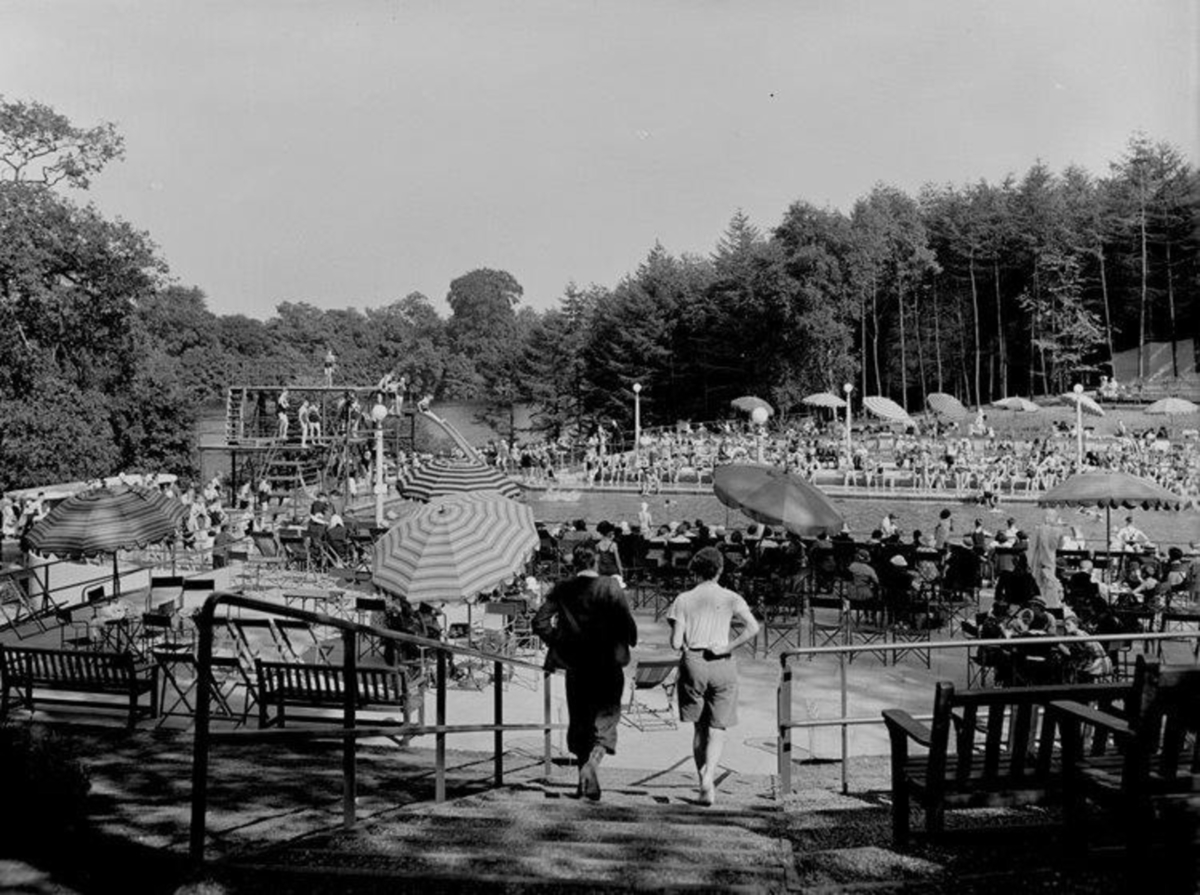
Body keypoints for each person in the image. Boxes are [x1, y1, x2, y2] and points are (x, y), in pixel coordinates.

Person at [533, 544, 638, 802]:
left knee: (579, 721)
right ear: (596, 563)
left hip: (576, 666)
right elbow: (627, 625)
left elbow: (539, 622)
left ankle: (583, 780)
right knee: (606, 720)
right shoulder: (611, 586)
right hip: (607, 664)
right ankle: (593, 762)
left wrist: (559, 641)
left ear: (575, 564)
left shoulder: (563, 588)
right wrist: (627, 638)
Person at [667, 547, 759, 807]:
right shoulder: (731, 597)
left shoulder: (683, 599)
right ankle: (711, 775)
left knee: (699, 727)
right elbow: (753, 627)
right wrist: (729, 646)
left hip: (694, 660)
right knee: (718, 727)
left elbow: (675, 643)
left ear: (695, 571)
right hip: (721, 660)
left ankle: (701, 780)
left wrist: (681, 640)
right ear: (720, 570)